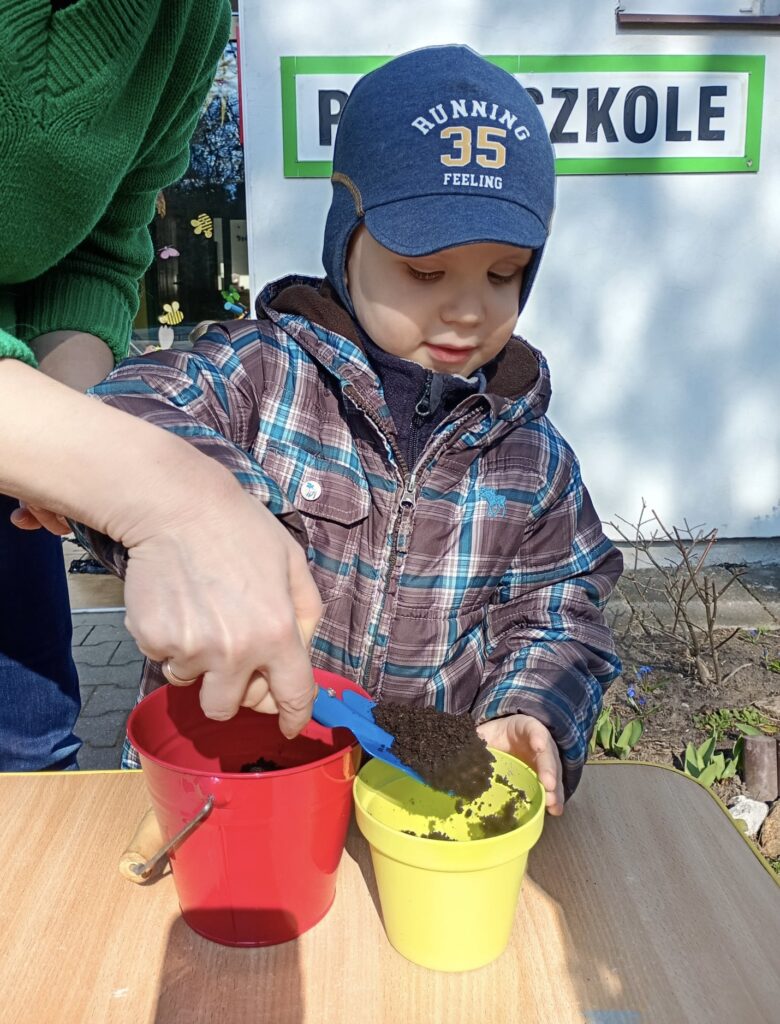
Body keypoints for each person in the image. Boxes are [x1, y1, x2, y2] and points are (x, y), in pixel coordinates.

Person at [75, 45, 623, 813]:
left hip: (412, 799)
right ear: (347, 240)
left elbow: (558, 611)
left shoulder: (532, 461)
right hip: (223, 777)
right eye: (425, 272)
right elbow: (115, 410)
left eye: (504, 274)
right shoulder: (261, 375)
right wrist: (205, 515)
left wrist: (529, 706)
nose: (468, 309)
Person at [0, 0, 320, 768]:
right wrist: (167, 494)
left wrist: (72, 445)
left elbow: (98, 250)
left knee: (33, 750)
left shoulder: (188, 16)